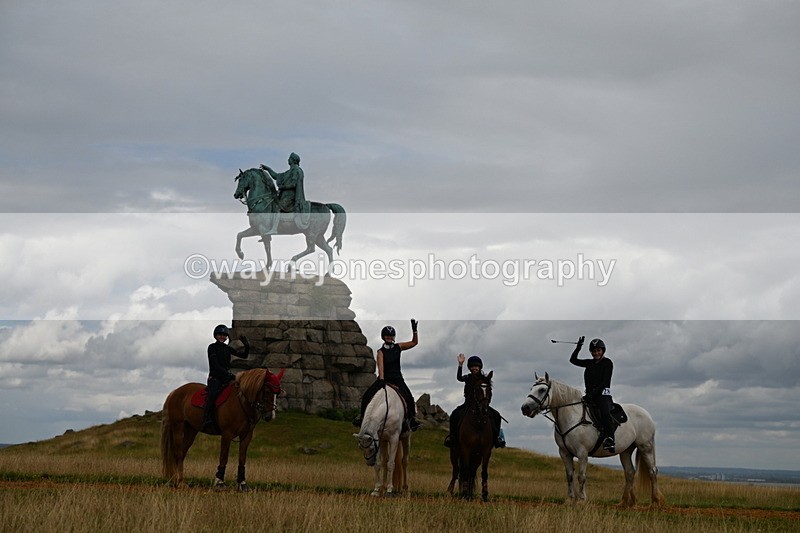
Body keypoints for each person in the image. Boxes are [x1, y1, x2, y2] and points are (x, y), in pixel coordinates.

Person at [353, 319, 422, 431]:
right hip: (384, 379)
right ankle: (361, 418)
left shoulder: (398, 347)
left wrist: (415, 331)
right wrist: (381, 379)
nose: (389, 337)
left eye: (391, 336)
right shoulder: (380, 351)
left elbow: (414, 343)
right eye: (387, 336)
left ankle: (411, 420)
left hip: (398, 379)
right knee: (366, 395)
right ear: (383, 337)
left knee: (409, 397)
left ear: (393, 337)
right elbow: (381, 367)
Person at [444, 354, 505, 448]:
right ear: (469, 368)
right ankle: (452, 437)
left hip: (482, 404)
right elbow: (459, 378)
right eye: (472, 366)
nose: (474, 368)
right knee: (454, 414)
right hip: (468, 404)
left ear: (480, 367)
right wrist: (460, 365)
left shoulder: (484, 379)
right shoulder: (468, 377)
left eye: (476, 366)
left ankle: (497, 438)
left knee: (496, 415)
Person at [569, 336, 615, 452]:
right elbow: (573, 360)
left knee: (605, 412)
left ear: (603, 351)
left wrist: (593, 394)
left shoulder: (607, 363)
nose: (596, 353)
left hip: (603, 395)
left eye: (598, 350)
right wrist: (578, 347)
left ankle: (610, 438)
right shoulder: (589, 363)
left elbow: (605, 382)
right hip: (589, 396)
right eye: (594, 351)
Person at [202, 324, 250, 431]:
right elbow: (215, 365)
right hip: (215, 378)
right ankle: (207, 419)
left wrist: (247, 346)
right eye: (220, 334)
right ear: (215, 335)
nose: (222, 337)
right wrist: (227, 374)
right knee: (212, 395)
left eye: (224, 335)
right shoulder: (212, 348)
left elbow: (244, 356)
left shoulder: (228, 348)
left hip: (226, 378)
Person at [260, 152, 311, 229]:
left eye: (289, 158)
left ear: (293, 160)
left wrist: (282, 187)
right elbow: (276, 176)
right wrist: (268, 169)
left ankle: (274, 228)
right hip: (285, 196)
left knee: (276, 206)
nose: (288, 160)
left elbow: (293, 184)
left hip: (291, 197)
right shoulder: (289, 171)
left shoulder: (296, 170)